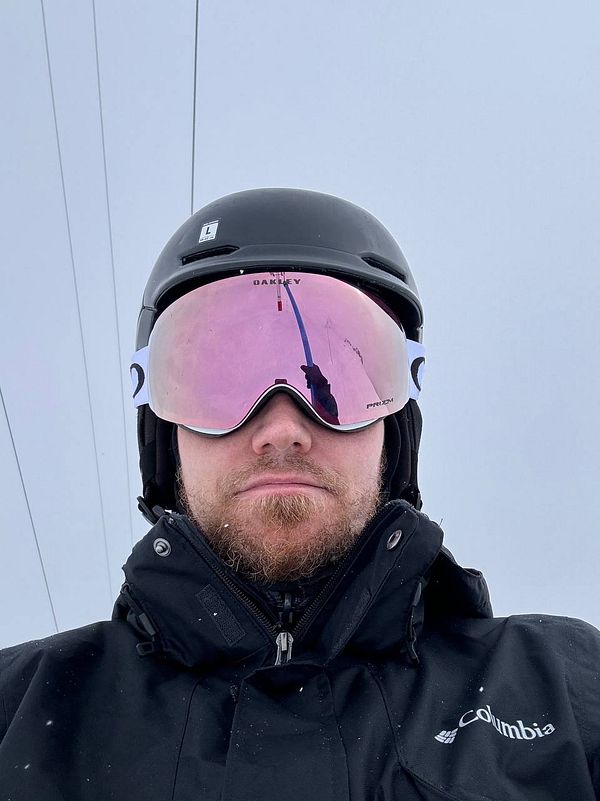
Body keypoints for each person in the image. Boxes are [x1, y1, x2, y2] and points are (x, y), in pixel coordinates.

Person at [0, 188, 598, 800]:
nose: (284, 429)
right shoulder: (19, 713)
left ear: (395, 431)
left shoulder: (567, 692)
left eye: (335, 383)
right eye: (218, 382)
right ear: (161, 430)